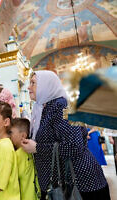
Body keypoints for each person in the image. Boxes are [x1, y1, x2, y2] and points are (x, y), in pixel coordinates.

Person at [21, 70, 110, 200]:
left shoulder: (62, 106)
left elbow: (75, 146)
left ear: (47, 85)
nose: (29, 87)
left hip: (80, 184)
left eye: (33, 83)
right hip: (63, 183)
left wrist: (37, 148)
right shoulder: (44, 108)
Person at [10, 118, 40, 200]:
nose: (9, 136)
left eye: (11, 133)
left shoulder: (17, 155)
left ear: (23, 136)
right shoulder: (31, 151)